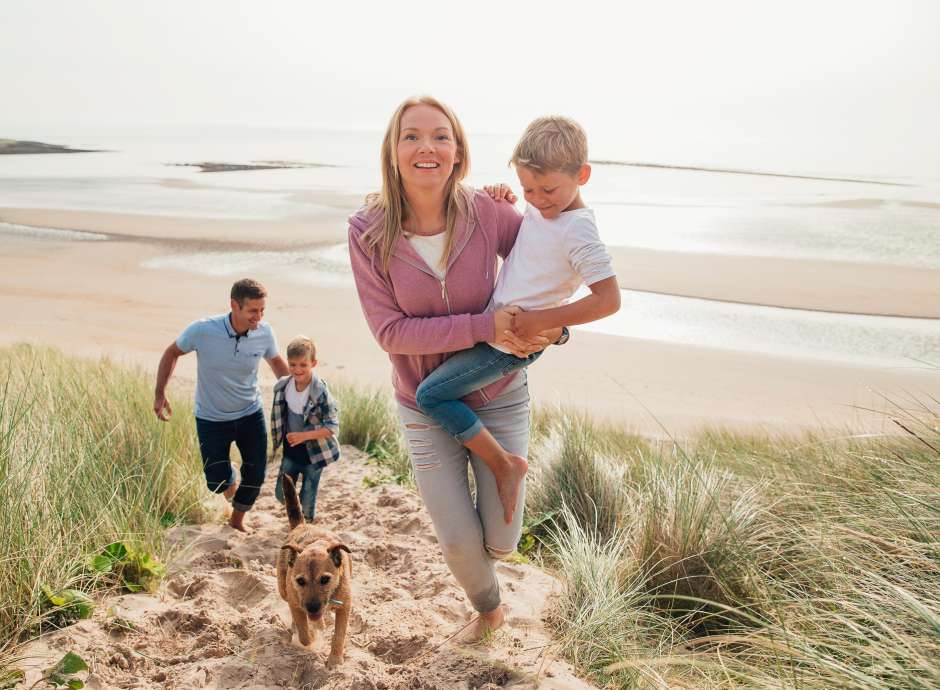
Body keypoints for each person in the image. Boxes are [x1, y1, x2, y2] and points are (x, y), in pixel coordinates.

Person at [347, 95, 564, 640]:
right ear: (393, 151)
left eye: (441, 136)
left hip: (499, 391)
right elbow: (389, 332)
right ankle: (489, 609)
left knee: (502, 540)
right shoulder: (367, 231)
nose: (427, 147)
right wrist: (485, 326)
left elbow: (550, 261)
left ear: (459, 150)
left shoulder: (489, 212)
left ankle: (502, 485)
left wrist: (559, 327)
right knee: (458, 542)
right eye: (412, 136)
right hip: (422, 400)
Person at [415, 116, 621, 524]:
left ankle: (504, 464)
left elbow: (609, 299)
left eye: (548, 190)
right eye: (528, 187)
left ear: (582, 175)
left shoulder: (579, 230)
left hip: (509, 347)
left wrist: (545, 321)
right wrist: (503, 194)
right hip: (497, 333)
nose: (538, 199)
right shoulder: (543, 208)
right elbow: (528, 249)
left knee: (430, 396)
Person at [154, 278, 289, 533]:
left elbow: (277, 364)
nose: (258, 317)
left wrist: (298, 393)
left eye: (262, 310)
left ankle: (237, 521)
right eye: (252, 311)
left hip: (250, 413)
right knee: (216, 482)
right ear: (234, 306)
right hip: (211, 418)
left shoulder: (264, 332)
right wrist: (160, 392)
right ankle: (230, 477)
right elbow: (172, 353)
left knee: (257, 474)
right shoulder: (203, 330)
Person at [270, 335, 341, 522]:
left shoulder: (320, 392)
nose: (297, 369)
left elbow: (332, 427)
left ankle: (305, 525)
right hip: (290, 451)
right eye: (292, 364)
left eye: (303, 365)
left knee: (308, 497)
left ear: (313, 363)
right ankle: (298, 515)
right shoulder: (283, 387)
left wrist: (303, 436)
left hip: (314, 455)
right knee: (281, 493)